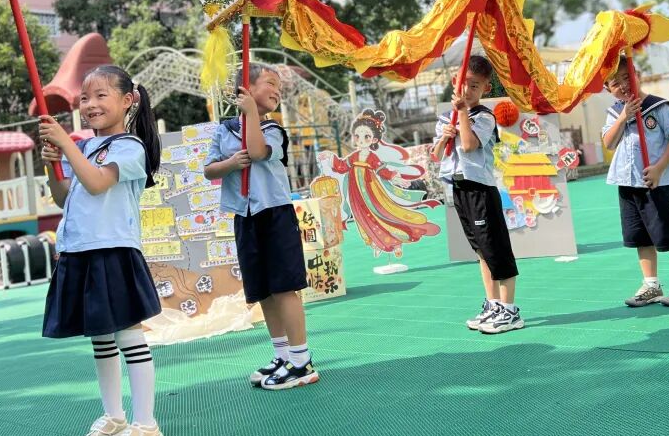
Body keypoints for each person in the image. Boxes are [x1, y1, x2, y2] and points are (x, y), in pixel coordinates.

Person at [39, 65, 165, 436]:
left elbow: (96, 183)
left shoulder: (130, 147)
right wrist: (52, 164)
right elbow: (65, 197)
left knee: (129, 336)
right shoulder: (88, 147)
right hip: (80, 249)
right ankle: (114, 417)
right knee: (101, 337)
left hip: (113, 249)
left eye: (100, 96)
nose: (90, 104)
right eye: (84, 98)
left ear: (127, 101)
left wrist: (66, 143)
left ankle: (146, 424)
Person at [203, 64, 318, 390]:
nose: (277, 90)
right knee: (263, 290)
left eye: (279, 86)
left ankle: (301, 360)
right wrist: (230, 164)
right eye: (270, 82)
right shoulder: (225, 130)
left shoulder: (273, 129)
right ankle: (282, 355)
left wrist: (251, 113)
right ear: (246, 88)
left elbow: (256, 152)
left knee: (284, 287)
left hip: (275, 214)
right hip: (245, 216)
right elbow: (209, 170)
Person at [602, 55, 669, 308]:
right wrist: (624, 116)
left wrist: (659, 168)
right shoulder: (615, 112)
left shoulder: (658, 107)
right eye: (615, 83)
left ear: (637, 75)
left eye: (626, 77)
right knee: (640, 237)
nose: (623, 85)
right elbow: (609, 143)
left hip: (655, 183)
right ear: (607, 89)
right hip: (628, 183)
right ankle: (651, 285)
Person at [432, 55, 522, 334]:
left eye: (475, 86)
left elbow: (469, 146)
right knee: (481, 251)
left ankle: (509, 309)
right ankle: (493, 303)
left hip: (481, 190)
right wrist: (446, 135)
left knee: (496, 250)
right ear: (454, 82)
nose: (468, 90)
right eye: (464, 84)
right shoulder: (445, 119)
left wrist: (461, 114)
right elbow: (436, 155)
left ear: (486, 88)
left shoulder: (483, 116)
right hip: (460, 189)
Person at [316, 108, 440, 258]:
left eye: (366, 136)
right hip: (356, 193)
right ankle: (376, 242)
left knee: (382, 214)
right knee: (362, 217)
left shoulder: (372, 157)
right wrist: (329, 156)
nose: (361, 140)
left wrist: (396, 178)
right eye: (357, 136)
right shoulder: (353, 156)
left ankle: (395, 242)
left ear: (374, 140)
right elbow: (341, 167)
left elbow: (383, 171)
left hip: (371, 191)